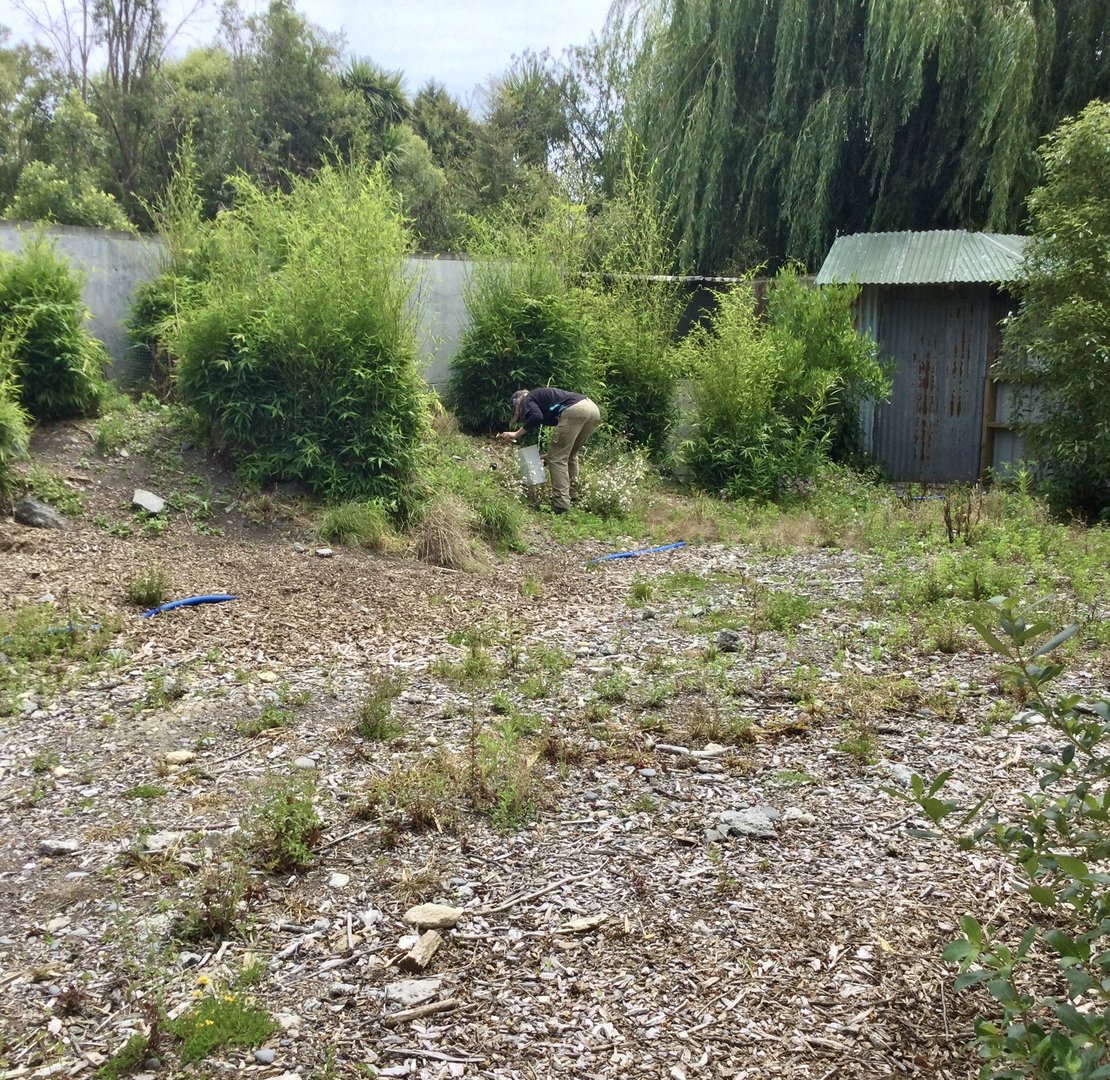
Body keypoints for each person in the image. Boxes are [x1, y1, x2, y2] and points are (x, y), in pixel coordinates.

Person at [497, 387, 601, 514]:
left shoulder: (527, 398)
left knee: (558, 459)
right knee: (570, 456)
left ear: (517, 402)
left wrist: (516, 434)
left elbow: (536, 416)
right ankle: (573, 496)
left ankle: (560, 504)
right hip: (592, 409)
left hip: (575, 410)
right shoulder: (541, 399)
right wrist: (545, 457)